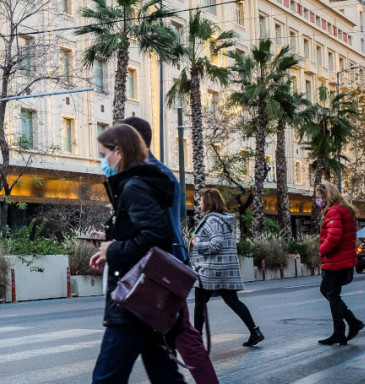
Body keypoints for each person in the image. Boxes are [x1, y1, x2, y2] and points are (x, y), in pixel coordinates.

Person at [89, 124, 186, 384]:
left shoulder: (134, 187)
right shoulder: (141, 182)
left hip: (134, 300)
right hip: (149, 297)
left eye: (103, 154)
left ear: (118, 151)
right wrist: (109, 246)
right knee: (165, 376)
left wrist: (115, 249)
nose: (102, 161)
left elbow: (156, 235)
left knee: (106, 378)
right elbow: (144, 232)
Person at [191, 188, 263, 347]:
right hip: (225, 268)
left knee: (199, 302)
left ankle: (195, 339)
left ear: (209, 202)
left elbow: (216, 243)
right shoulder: (223, 219)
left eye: (202, 200)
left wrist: (198, 244)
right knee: (233, 301)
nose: (200, 203)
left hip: (212, 270)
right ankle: (255, 331)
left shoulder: (212, 220)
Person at [315, 181, 365, 345]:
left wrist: (322, 249)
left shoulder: (335, 211)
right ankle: (350, 323)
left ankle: (342, 329)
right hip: (342, 261)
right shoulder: (342, 210)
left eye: (319, 197)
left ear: (326, 196)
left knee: (330, 293)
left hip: (336, 261)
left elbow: (334, 237)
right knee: (329, 292)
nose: (318, 201)